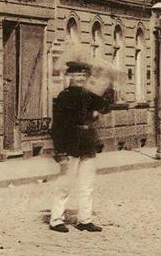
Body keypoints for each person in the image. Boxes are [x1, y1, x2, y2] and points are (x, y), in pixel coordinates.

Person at [49, 59, 111, 233]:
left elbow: (105, 106)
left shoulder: (89, 95)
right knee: (65, 184)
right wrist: (59, 150)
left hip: (87, 144)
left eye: (84, 74)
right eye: (77, 74)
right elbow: (58, 126)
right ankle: (56, 220)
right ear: (69, 76)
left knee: (87, 184)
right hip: (70, 145)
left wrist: (105, 82)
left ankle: (85, 219)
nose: (80, 77)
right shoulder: (64, 97)